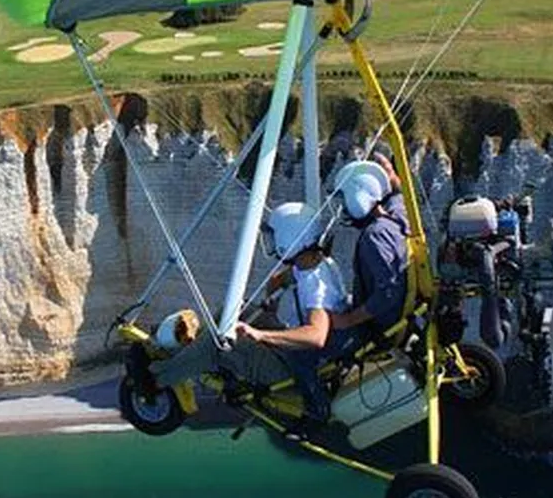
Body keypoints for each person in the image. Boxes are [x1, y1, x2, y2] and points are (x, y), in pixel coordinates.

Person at [148, 201, 354, 419]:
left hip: (294, 366)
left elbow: (316, 336)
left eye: (276, 236)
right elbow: (278, 280)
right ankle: (186, 358)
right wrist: (271, 301)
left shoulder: (316, 287)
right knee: (232, 314)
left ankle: (154, 379)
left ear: (290, 239)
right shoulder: (311, 263)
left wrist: (260, 334)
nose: (272, 241)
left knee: (216, 345)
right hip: (295, 351)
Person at [330, 160, 409, 337]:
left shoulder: (374, 236)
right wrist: (390, 176)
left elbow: (388, 292)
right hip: (397, 317)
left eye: (345, 199)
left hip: (377, 328)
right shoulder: (398, 219)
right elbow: (400, 197)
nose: (343, 207)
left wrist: (347, 321)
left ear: (358, 197)